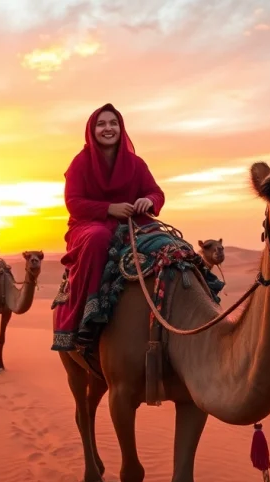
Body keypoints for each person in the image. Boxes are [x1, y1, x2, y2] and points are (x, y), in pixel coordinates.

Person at [51, 103, 165, 351]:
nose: (108, 128)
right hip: (88, 225)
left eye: (113, 123)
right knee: (98, 238)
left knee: (170, 246)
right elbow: (73, 203)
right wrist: (108, 208)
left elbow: (156, 192)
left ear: (121, 128)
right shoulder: (80, 163)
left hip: (134, 223)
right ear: (92, 130)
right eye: (101, 124)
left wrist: (149, 201)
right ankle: (88, 315)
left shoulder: (136, 164)